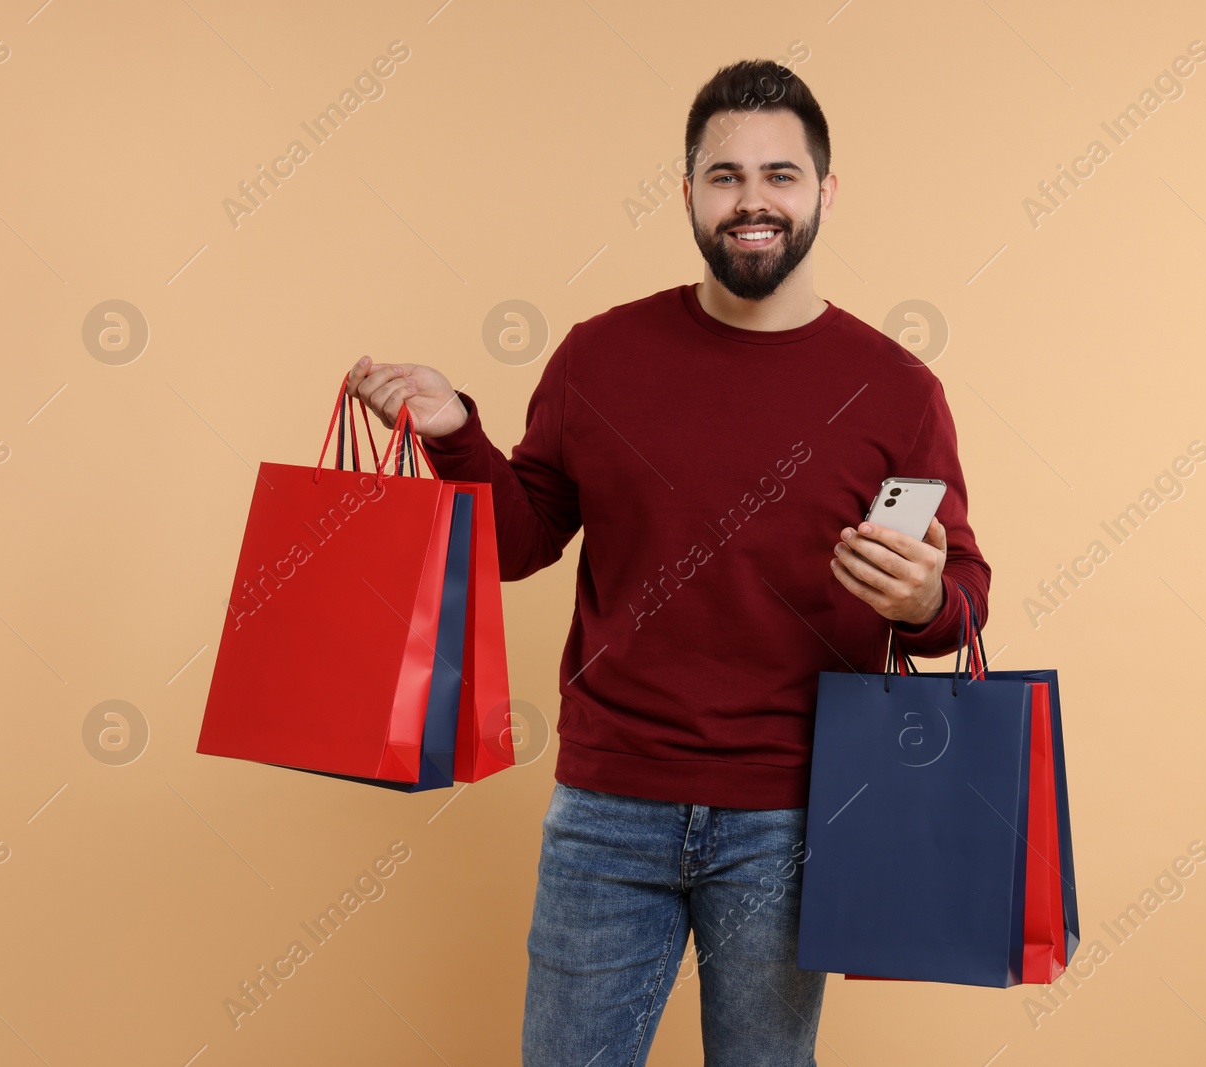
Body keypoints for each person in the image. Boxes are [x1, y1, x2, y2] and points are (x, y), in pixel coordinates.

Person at [347, 57, 991, 1067]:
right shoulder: (599, 357)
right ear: (687, 192)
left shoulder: (895, 389)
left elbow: (964, 599)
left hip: (792, 811)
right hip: (608, 807)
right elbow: (520, 543)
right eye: (724, 176)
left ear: (825, 190)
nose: (752, 201)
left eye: (779, 175)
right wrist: (453, 430)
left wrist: (924, 601)